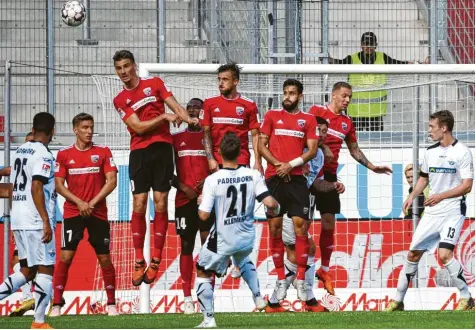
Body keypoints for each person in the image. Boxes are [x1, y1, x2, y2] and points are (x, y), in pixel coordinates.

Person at [112, 50, 199, 286]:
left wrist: (188, 119)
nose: (123, 72)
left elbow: (176, 107)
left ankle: (156, 259)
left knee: (161, 201)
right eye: (119, 68)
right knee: (139, 202)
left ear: (134, 66)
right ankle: (139, 258)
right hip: (139, 152)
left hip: (162, 149)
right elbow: (138, 127)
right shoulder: (120, 99)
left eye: (126, 66)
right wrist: (164, 118)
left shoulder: (155, 84)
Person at [309, 82, 392, 295]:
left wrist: (372, 167)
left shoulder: (347, 122)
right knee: (302, 224)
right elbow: (304, 139)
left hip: (329, 176)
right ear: (334, 95)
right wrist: (324, 146)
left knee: (329, 223)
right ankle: (304, 268)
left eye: (350, 97)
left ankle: (324, 269)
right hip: (309, 173)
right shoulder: (316, 112)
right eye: (345, 96)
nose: (347, 100)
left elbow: (354, 149)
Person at [386, 110, 474, 311]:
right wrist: (411, 196)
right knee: (413, 254)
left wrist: (441, 196)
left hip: (452, 210)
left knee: (444, 254)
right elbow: (424, 178)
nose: (429, 131)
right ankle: (398, 302)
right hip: (433, 212)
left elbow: (467, 186)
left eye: (432, 127)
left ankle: (466, 298)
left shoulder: (462, 152)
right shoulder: (430, 152)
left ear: (444, 128)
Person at [195, 132, 280, 328]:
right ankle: (258, 297)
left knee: (201, 270)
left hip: (224, 236)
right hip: (247, 237)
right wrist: (277, 207)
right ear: (241, 152)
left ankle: (208, 320)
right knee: (241, 259)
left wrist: (201, 202)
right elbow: (269, 203)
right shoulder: (253, 175)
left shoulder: (213, 180)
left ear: (219, 153)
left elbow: (204, 216)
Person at [266, 116, 344, 313]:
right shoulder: (297, 149)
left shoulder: (316, 155)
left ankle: (276, 301)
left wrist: (333, 185)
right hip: (287, 206)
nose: (321, 134)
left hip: (299, 205)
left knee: (299, 252)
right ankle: (305, 298)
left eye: (325, 131)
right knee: (307, 248)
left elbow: (315, 183)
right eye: (318, 130)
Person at [49, 113, 118, 317]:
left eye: (91, 127)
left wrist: (92, 203)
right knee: (66, 256)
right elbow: (59, 185)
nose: (89, 131)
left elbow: (111, 180)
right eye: (85, 128)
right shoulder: (63, 155)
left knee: (104, 258)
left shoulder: (103, 151)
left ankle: (112, 304)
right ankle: (56, 304)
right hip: (73, 212)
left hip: (97, 213)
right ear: (75, 130)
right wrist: (79, 203)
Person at [199, 63, 263, 279]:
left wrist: (258, 162)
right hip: (217, 165)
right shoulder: (209, 104)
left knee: (239, 213)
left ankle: (237, 259)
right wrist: (209, 158)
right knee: (218, 214)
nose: (220, 83)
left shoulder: (248, 105)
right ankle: (221, 257)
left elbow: (255, 136)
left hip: (242, 163)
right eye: (219, 79)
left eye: (225, 79)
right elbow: (206, 133)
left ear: (235, 81)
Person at [258, 79, 318, 302]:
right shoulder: (272, 116)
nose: (287, 97)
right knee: (274, 230)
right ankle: (281, 279)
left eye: (292, 93)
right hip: (274, 178)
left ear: (300, 96)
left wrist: (290, 165)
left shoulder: (308, 119)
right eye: (285, 92)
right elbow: (260, 145)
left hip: (295, 179)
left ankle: (301, 279)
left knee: (300, 228)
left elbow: (312, 151)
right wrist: (277, 165)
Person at [0, 112, 56, 329]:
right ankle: (39, 322)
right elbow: (36, 186)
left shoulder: (20, 151)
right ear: (52, 131)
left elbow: (14, 181)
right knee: (46, 269)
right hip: (35, 219)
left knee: (27, 270)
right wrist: (45, 220)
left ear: (33, 129)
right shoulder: (44, 155)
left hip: (18, 218)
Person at [327, 32, 422, 131]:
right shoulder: (352, 59)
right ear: (361, 45)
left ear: (376, 45)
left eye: (371, 44)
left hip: (375, 113)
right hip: (356, 113)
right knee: (354, 142)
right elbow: (339, 63)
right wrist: (329, 59)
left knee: (375, 142)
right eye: (365, 44)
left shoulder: (382, 58)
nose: (368, 47)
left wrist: (412, 63)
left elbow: (397, 63)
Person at [171, 98, 212, 314]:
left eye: (197, 107)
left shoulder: (210, 139)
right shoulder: (175, 139)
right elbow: (166, 172)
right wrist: (184, 188)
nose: (193, 110)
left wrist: (206, 188)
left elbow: (218, 168)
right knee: (186, 245)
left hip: (206, 200)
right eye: (189, 108)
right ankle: (187, 297)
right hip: (183, 200)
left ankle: (207, 296)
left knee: (208, 247)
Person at [0, 132, 36, 317]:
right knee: (19, 263)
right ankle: (30, 298)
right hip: (23, 222)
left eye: (32, 142)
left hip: (35, 223)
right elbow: (11, 193)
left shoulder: (40, 164)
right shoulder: (19, 168)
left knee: (35, 265)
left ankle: (47, 296)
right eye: (27, 143)